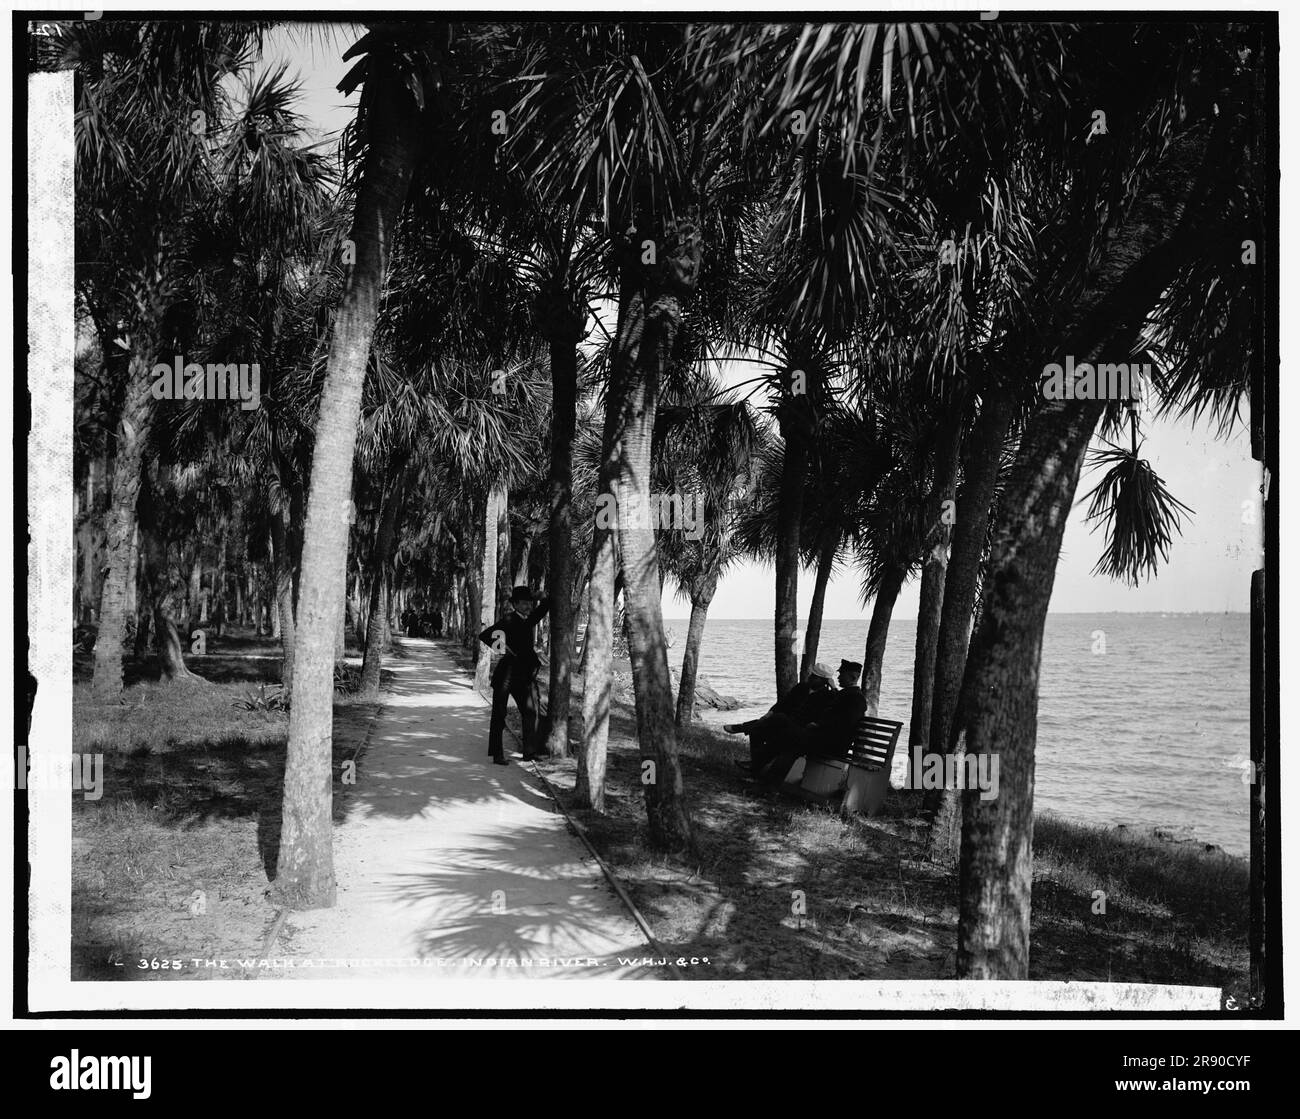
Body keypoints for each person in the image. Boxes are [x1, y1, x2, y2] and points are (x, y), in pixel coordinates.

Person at [758, 659, 867, 787]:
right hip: (822, 739)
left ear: (853, 677)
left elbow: (845, 724)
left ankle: (765, 779)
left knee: (788, 737)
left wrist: (819, 725)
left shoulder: (856, 698)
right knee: (787, 738)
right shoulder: (846, 695)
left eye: (842, 674)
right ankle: (767, 781)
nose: (838, 677)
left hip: (832, 745)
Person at [479, 586, 551, 765]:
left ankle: (529, 752)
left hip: (523, 676)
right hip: (506, 676)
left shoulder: (527, 620)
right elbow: (486, 635)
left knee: (530, 712)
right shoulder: (509, 619)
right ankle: (497, 754)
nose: (528, 606)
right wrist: (504, 649)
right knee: (499, 715)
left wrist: (543, 597)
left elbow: (544, 608)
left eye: (530, 603)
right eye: (524, 603)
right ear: (515, 604)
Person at [724, 663, 836, 774]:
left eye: (815, 677)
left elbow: (840, 704)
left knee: (780, 718)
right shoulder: (801, 687)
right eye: (812, 675)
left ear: (824, 681)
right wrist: (767, 715)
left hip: (801, 729)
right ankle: (756, 765)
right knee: (757, 730)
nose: (811, 678)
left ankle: (743, 728)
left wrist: (834, 687)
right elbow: (782, 704)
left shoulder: (828, 696)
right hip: (785, 725)